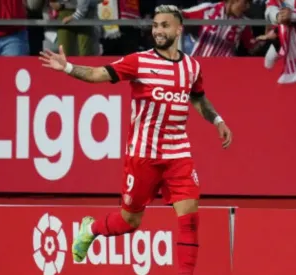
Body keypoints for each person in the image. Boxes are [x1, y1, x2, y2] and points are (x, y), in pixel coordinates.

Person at [39, 5, 232, 275]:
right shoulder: (139, 61)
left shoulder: (192, 67)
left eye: (165, 25)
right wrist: (68, 67)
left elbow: (197, 98)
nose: (158, 31)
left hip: (178, 154)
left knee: (189, 218)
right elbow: (98, 74)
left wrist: (218, 120)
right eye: (155, 26)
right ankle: (91, 229)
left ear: (179, 29)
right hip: (143, 155)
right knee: (130, 221)